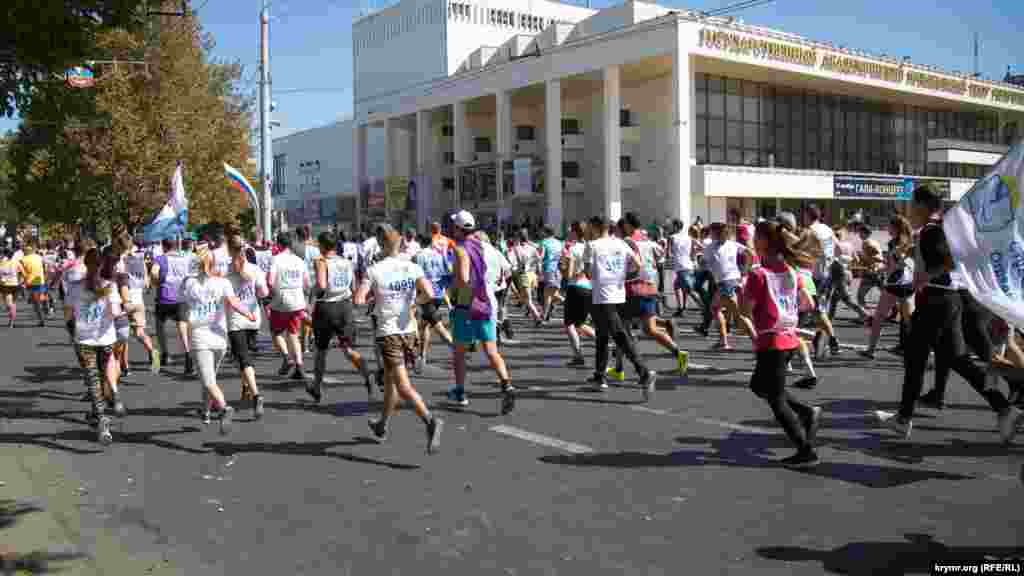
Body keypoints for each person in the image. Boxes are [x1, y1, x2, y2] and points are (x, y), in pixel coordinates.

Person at [876, 185, 1023, 442]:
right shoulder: (945, 227)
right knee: (955, 360)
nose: (910, 209)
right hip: (948, 300)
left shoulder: (932, 230)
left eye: (912, 204)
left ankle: (903, 419)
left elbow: (947, 262)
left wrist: (921, 279)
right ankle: (1003, 407)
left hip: (936, 301)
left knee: (918, 359)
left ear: (922, 205)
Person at [354, 224, 442, 453]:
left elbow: (359, 300)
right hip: (409, 330)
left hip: (389, 332)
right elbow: (429, 294)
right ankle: (382, 425)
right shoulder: (412, 266)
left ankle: (431, 421)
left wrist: (373, 298)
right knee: (390, 381)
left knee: (402, 386)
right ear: (400, 243)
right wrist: (412, 304)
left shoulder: (374, 270)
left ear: (381, 244)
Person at [742, 220, 821, 468]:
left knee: (776, 399)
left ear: (763, 241)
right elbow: (808, 303)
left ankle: (805, 449)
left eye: (756, 237)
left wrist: (747, 286)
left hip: (772, 340)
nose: (752, 240)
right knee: (758, 385)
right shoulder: (791, 271)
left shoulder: (758, 274)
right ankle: (806, 411)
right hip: (788, 338)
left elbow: (745, 309)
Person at [180, 244, 256, 433]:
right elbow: (234, 302)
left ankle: (224, 408)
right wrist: (248, 313)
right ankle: (206, 411)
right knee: (210, 378)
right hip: (220, 337)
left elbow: (182, 305)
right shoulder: (223, 283)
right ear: (213, 263)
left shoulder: (189, 283)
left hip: (200, 336)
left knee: (208, 381)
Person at [445, 210, 515, 413]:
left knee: (459, 351)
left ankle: (460, 392)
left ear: (458, 228)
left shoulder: (460, 248)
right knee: (491, 350)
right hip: (488, 301)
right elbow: (508, 270)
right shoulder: (487, 247)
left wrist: (452, 286)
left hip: (467, 304)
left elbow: (463, 279)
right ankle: (506, 385)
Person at [584, 216, 657, 397]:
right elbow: (638, 264)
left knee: (618, 335)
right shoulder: (621, 243)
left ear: (595, 227)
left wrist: (602, 274)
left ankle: (644, 372)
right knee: (602, 335)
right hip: (618, 293)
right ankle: (599, 376)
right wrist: (623, 276)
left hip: (602, 294)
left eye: (590, 227)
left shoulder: (592, 245)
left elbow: (588, 272)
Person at [309, 231, 373, 403]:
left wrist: (313, 291)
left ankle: (317, 387)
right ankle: (367, 375)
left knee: (321, 351)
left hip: (326, 307)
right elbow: (353, 288)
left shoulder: (321, 261)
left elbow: (322, 285)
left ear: (322, 246)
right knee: (348, 349)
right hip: (344, 307)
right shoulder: (346, 262)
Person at [68, 246, 122, 445]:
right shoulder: (110, 285)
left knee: (92, 379)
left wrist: (73, 331)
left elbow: (68, 314)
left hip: (84, 339)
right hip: (105, 338)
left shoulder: (75, 287)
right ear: (102, 264)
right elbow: (115, 313)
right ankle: (109, 401)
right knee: (103, 375)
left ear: (85, 264)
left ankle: (100, 417)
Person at [225, 235, 269, 419]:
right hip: (253, 318)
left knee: (243, 359)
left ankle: (256, 395)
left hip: (235, 319)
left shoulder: (225, 270)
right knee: (243, 357)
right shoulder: (255, 269)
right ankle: (246, 385)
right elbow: (264, 292)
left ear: (229, 249)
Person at [860, 216, 915, 359]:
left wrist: (891, 265)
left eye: (889, 226)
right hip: (908, 284)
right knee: (908, 320)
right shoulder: (907, 242)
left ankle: (871, 350)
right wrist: (881, 268)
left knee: (879, 318)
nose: (887, 228)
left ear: (895, 227)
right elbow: (896, 264)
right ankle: (917, 352)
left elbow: (899, 264)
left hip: (895, 284)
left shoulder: (896, 244)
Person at [704, 223, 756, 350]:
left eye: (712, 232)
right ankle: (723, 341)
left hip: (725, 282)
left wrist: (703, 263)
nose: (711, 234)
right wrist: (746, 269)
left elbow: (705, 263)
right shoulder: (732, 244)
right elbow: (750, 253)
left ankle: (756, 342)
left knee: (737, 316)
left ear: (716, 233)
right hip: (733, 281)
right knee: (718, 309)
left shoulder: (711, 247)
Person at [115, 234, 160, 375]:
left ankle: (124, 366)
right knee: (140, 332)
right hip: (138, 299)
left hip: (124, 298)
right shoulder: (140, 260)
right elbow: (146, 283)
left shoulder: (120, 261)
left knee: (123, 334)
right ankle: (153, 351)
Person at [268, 232, 310, 381]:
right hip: (298, 300)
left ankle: (287, 357)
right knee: (293, 334)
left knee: (276, 332)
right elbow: (306, 283)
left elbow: (271, 281)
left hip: (281, 299)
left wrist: (272, 295)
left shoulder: (276, 259)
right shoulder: (299, 260)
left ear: (278, 245)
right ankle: (299, 366)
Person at [150, 238, 195, 375]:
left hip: (164, 297)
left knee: (160, 326)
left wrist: (156, 282)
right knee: (182, 328)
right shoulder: (185, 258)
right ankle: (188, 356)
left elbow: (153, 272)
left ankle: (164, 353)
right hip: (181, 297)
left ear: (163, 246)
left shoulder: (160, 259)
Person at [413, 238, 455, 371]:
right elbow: (449, 274)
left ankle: (458, 351)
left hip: (426, 295)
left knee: (439, 328)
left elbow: (413, 276)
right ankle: (422, 356)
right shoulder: (440, 255)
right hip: (438, 295)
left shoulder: (418, 256)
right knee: (425, 325)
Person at [561, 221, 595, 367]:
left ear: (575, 233)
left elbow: (568, 275)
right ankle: (606, 343)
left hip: (575, 287)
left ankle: (578, 355)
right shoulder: (591, 247)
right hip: (588, 287)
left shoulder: (573, 249)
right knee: (580, 323)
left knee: (569, 324)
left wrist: (562, 267)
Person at [828, 226, 870, 323]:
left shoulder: (835, 246)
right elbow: (857, 260)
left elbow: (832, 261)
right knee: (835, 298)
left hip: (839, 274)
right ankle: (829, 318)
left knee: (847, 299)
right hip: (848, 273)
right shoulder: (849, 245)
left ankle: (865, 314)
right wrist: (848, 263)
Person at [668, 220, 696, 317]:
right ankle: (681, 308)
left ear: (675, 226)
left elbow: (668, 254)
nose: (671, 227)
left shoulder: (672, 237)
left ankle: (704, 308)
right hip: (688, 265)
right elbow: (693, 253)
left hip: (680, 266)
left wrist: (673, 257)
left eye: (672, 226)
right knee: (678, 286)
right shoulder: (689, 238)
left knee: (689, 290)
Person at [538, 226, 564, 323]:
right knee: (551, 295)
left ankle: (543, 317)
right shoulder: (559, 243)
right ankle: (544, 316)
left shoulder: (544, 242)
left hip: (548, 270)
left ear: (545, 233)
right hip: (557, 270)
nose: (541, 233)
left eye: (542, 232)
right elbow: (563, 255)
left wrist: (536, 258)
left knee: (549, 295)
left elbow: (541, 256)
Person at [18, 243, 48, 326]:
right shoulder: (39, 257)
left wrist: (22, 283)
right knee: (41, 298)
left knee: (36, 302)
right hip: (40, 280)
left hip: (31, 282)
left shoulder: (22, 260)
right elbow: (44, 267)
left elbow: (21, 273)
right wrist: (45, 276)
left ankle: (41, 319)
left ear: (25, 251)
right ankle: (46, 305)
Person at [0, 248, 19, 327]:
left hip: (7, 285)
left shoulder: (2, 262)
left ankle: (12, 321)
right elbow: (21, 271)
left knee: (9, 304)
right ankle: (12, 320)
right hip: (15, 284)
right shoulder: (16, 261)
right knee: (12, 303)